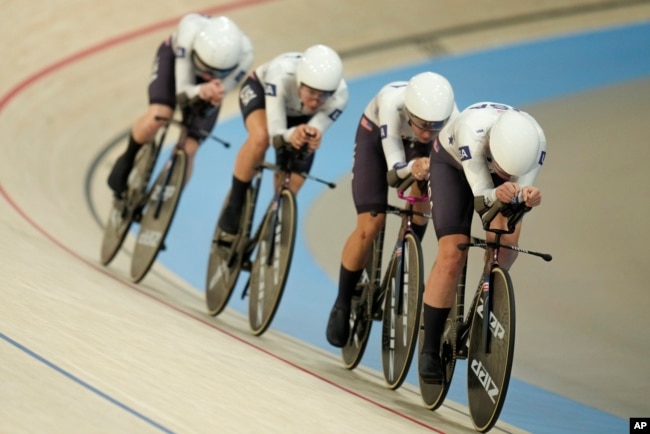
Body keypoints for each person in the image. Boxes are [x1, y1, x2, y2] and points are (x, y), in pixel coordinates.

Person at [325, 71, 458, 348]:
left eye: (434, 127)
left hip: (422, 154)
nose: (426, 132)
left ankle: (406, 253)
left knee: (427, 185)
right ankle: (341, 301)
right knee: (370, 225)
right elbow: (395, 172)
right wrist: (414, 167)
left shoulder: (452, 119)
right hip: (377, 140)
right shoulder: (391, 103)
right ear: (409, 111)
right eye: (422, 125)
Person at [418, 102, 547, 383]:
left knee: (506, 249)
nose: (504, 173)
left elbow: (516, 197)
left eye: (510, 171)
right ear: (492, 147)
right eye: (500, 168)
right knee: (453, 252)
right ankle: (429, 348)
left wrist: (526, 196)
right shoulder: (472, 132)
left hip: (495, 176)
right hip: (453, 165)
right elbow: (482, 198)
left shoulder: (536, 143)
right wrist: (500, 190)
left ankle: (484, 294)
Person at [107, 13, 254, 197]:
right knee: (159, 115)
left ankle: (169, 199)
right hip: (176, 61)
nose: (208, 75)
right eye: (205, 67)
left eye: (216, 72)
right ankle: (127, 158)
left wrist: (212, 91)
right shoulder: (189, 31)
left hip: (212, 86)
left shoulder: (246, 55)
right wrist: (201, 90)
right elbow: (182, 91)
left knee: (190, 147)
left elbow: (219, 93)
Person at [216, 44, 349, 239]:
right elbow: (276, 134)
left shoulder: (340, 97)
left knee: (300, 158)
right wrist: (290, 134)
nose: (315, 102)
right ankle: (235, 202)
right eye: (311, 93)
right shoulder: (281, 75)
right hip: (263, 96)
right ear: (299, 82)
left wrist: (311, 137)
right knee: (260, 138)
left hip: (299, 117)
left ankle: (275, 213)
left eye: (323, 96)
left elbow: (316, 129)